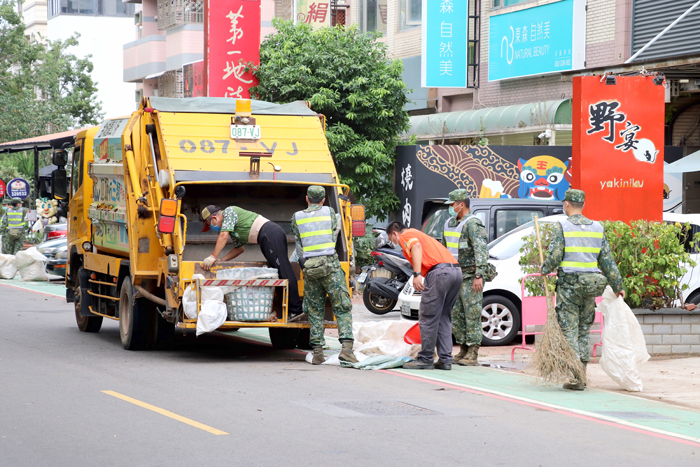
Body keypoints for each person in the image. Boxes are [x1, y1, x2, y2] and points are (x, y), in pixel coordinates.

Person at [541, 189, 625, 390]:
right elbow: (607, 261)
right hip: (590, 286)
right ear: (583, 205)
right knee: (583, 330)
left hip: (569, 286)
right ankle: (582, 374)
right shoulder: (597, 227)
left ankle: (576, 377)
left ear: (567, 204)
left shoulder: (562, 226)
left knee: (569, 330)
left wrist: (544, 268)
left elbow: (554, 257)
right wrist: (618, 286)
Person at [291, 186, 358, 365]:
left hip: (310, 268)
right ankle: (346, 350)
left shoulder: (297, 217)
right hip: (330, 266)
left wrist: (303, 263)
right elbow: (334, 232)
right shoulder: (330, 213)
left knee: (314, 310)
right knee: (342, 306)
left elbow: (299, 243)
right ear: (323, 200)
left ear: (306, 198)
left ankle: (318, 353)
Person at [200, 204, 303, 318]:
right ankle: (289, 311)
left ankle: (296, 309)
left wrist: (213, 256)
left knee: (284, 269)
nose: (213, 228)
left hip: (270, 233)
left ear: (214, 218)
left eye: (210, 225)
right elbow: (240, 249)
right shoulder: (234, 229)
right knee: (278, 272)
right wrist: (222, 260)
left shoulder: (228, 212)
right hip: (265, 238)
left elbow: (223, 236)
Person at [386, 221, 462, 370]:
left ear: (394, 233)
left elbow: (416, 247)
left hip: (439, 273)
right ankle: (445, 359)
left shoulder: (406, 235)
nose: (394, 243)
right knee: (443, 317)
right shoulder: (419, 234)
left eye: (391, 239)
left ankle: (426, 358)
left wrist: (417, 274)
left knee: (428, 317)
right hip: (455, 272)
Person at [442, 189, 488, 366]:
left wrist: (479, 275)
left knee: (472, 313)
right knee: (457, 314)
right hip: (453, 275)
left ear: (461, 204)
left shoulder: (473, 224)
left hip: (470, 276)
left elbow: (481, 251)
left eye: (452, 204)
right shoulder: (449, 223)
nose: (450, 208)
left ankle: (473, 353)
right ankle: (462, 349)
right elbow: (444, 249)